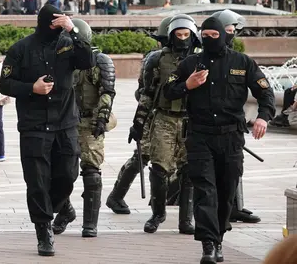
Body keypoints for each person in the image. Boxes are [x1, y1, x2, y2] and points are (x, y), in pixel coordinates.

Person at [164, 17, 275, 263]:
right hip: (200, 136)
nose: (210, 40)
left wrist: (263, 117)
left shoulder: (242, 62)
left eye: (215, 35)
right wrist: (187, 85)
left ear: (224, 36)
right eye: (206, 35)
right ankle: (208, 245)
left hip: (231, 137)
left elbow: (265, 92)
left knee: (226, 192)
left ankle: (219, 238)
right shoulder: (190, 63)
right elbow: (167, 90)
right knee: (205, 191)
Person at [0, 4, 94, 256]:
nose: (56, 27)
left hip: (65, 123)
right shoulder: (21, 48)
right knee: (37, 182)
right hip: (35, 125)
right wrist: (32, 88)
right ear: (42, 22)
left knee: (68, 175)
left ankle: (61, 206)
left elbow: (88, 61)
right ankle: (43, 231)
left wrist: (73, 31)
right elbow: (4, 83)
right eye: (53, 23)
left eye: (60, 22)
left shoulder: (68, 43)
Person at [129, 14, 200, 235]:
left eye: (186, 35)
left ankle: (186, 219)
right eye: (178, 35)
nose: (182, 39)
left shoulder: (202, 58)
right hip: (164, 119)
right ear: (170, 36)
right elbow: (147, 93)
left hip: (191, 120)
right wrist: (138, 122)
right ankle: (158, 213)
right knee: (159, 168)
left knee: (188, 170)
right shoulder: (157, 59)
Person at [52, 18, 116, 238]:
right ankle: (65, 211)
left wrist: (102, 118)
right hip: (64, 122)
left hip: (90, 122)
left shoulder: (100, 61)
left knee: (91, 172)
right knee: (58, 172)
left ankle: (90, 223)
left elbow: (107, 91)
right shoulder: (57, 60)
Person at [106, 16, 173, 214]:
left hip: (174, 117)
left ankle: (162, 197)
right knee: (142, 156)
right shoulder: (155, 58)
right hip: (154, 115)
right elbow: (143, 91)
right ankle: (116, 196)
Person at [211, 9, 261, 224]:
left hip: (231, 128)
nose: (232, 35)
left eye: (233, 31)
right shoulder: (200, 55)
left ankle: (232, 208)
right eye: (228, 31)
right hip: (202, 126)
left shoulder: (238, 59)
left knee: (232, 170)